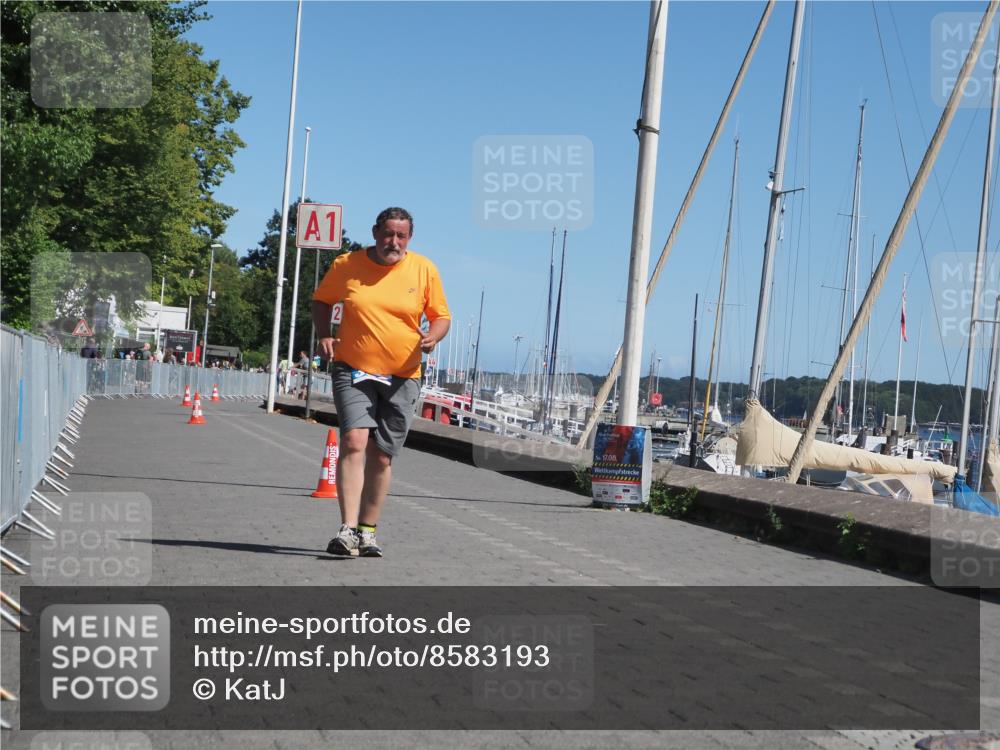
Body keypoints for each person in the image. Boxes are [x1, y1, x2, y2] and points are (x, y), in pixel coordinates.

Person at [312, 207, 450, 557]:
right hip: (353, 368)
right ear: (375, 232)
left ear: (409, 238)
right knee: (354, 440)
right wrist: (324, 334)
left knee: (383, 455)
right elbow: (322, 300)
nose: (394, 242)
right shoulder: (347, 264)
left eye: (401, 236)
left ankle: (367, 532)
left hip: (403, 375)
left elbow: (441, 316)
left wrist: (433, 336)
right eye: (388, 234)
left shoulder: (424, 269)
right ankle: (347, 530)